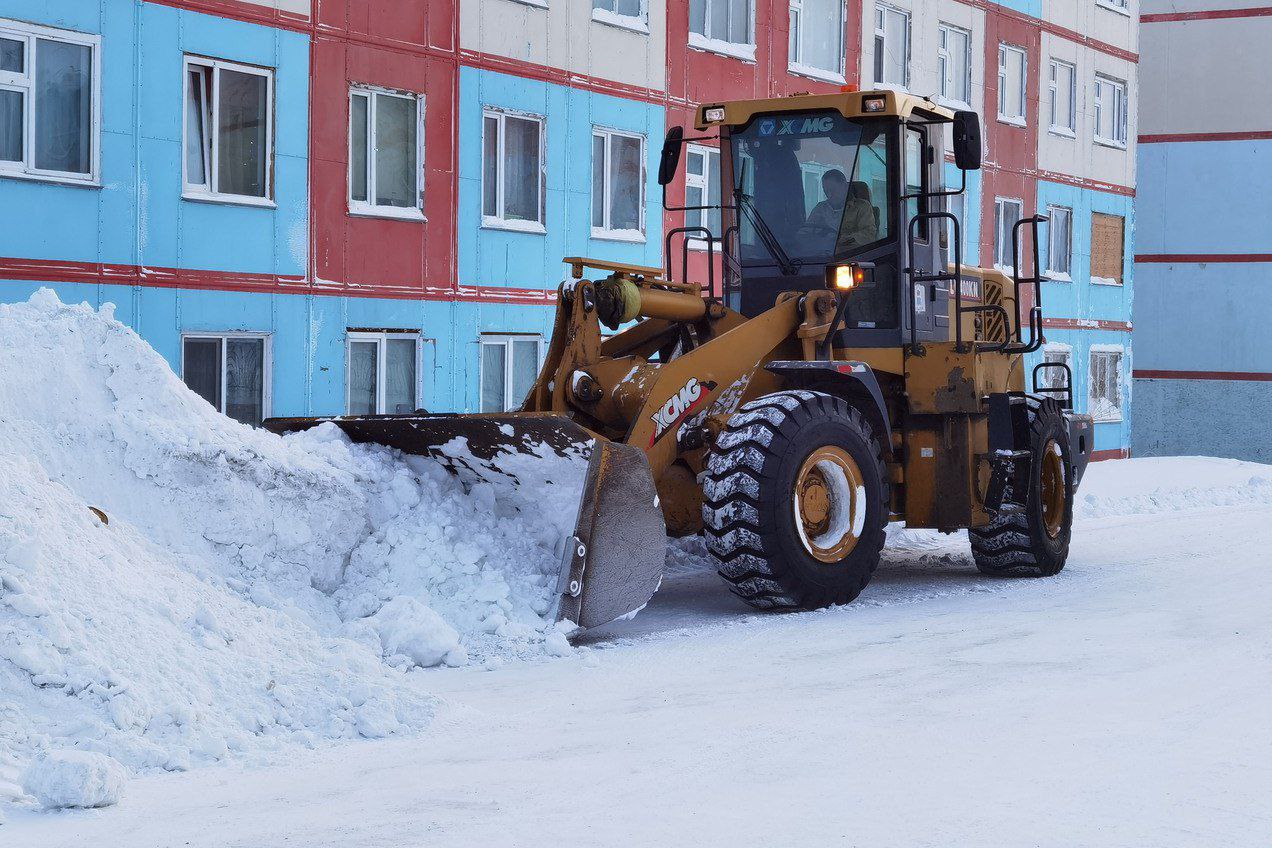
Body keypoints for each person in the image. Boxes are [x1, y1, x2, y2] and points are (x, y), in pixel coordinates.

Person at [804, 169, 878, 253]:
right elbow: (806, 230)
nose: (829, 195)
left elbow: (869, 235)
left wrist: (841, 240)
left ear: (844, 186)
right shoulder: (820, 208)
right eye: (826, 191)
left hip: (849, 256)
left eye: (833, 190)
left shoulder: (862, 207)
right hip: (820, 254)